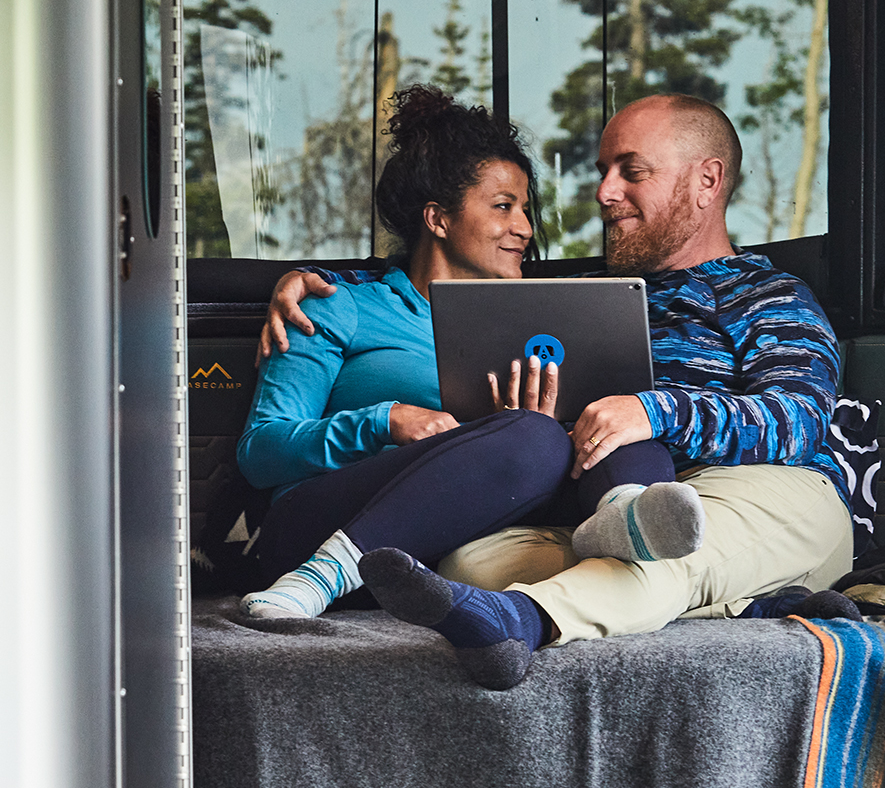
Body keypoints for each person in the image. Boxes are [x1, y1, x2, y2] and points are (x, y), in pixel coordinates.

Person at [264, 93, 854, 690]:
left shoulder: (767, 295)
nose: (604, 193)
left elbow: (796, 418)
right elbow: (428, 283)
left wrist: (652, 411)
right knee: (467, 562)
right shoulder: (571, 300)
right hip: (605, 503)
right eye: (603, 173)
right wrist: (313, 283)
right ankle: (747, 600)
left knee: (665, 548)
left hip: (750, 491)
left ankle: (520, 619)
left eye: (631, 171)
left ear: (707, 180)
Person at [238, 86, 703, 638]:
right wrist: (384, 420)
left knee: (606, 425)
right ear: (437, 219)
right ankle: (319, 578)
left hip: (443, 554)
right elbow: (261, 451)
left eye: (526, 209)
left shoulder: (538, 323)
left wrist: (524, 429)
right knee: (533, 435)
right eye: (503, 206)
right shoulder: (336, 306)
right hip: (313, 531)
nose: (526, 228)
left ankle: (622, 517)